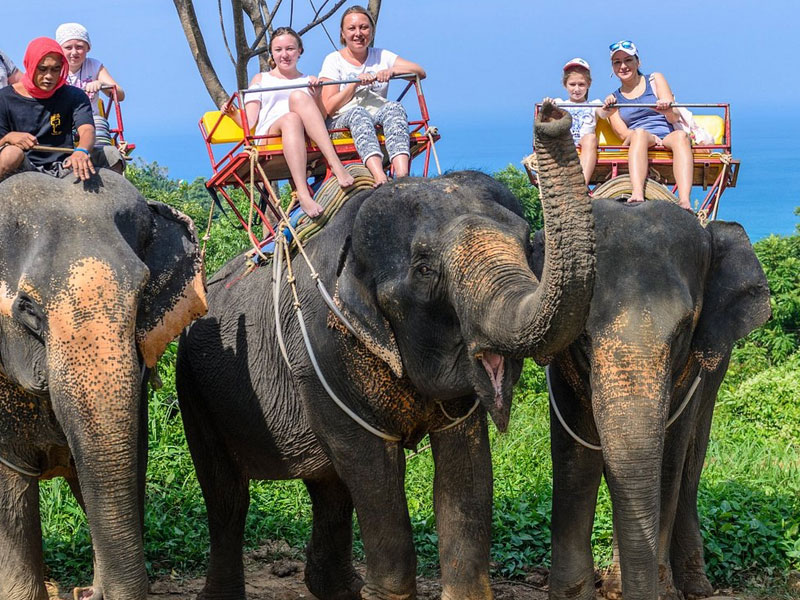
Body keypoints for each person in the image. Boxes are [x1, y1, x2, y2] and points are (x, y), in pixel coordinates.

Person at [224, 27, 355, 218]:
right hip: (269, 135)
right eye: (278, 50)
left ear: (299, 51)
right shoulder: (262, 79)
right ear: (272, 53)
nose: (284, 55)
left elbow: (319, 117)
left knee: (298, 98)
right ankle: (302, 192)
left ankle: (334, 163)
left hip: (303, 135)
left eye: (290, 49)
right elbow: (250, 121)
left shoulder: (307, 80)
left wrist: (317, 95)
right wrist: (233, 113)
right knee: (291, 116)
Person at [319, 5, 425, 186]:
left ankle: (402, 176)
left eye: (364, 27)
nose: (358, 33)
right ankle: (379, 176)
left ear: (372, 31)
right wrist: (354, 84)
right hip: (343, 120)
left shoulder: (381, 55)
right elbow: (328, 107)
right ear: (343, 34)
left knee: (394, 108)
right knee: (359, 114)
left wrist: (391, 71)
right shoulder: (333, 60)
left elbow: (419, 71)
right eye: (352, 28)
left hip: (376, 115)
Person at [0, 37, 124, 182]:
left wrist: (82, 151)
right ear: (31, 66)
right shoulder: (5, 97)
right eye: (42, 69)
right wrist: (9, 138)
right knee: (11, 154)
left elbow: (87, 130)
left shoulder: (74, 95)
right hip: (25, 165)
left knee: (111, 154)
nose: (49, 76)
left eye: (55, 69)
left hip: (66, 164)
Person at [602, 40, 693, 210]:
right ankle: (637, 193)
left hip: (666, 134)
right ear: (613, 68)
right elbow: (623, 134)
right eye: (617, 62)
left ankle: (685, 200)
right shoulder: (613, 99)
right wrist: (644, 136)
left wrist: (665, 109)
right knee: (639, 134)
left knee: (681, 137)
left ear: (638, 62)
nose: (623, 66)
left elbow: (673, 118)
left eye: (628, 60)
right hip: (638, 137)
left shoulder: (655, 79)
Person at [547, 58, 609, 186]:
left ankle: (581, 184)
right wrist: (548, 106)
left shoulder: (594, 105)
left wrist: (609, 105)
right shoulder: (560, 104)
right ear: (565, 85)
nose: (577, 89)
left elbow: (604, 114)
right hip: (565, 143)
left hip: (584, 144)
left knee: (590, 138)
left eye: (581, 84)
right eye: (572, 84)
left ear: (588, 84)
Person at [55, 23, 125, 116]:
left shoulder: (94, 66)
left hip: (91, 118)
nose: (74, 52)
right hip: (63, 119)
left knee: (99, 128)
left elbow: (120, 95)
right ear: (59, 49)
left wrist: (101, 84)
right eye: (68, 47)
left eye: (79, 47)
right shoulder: (54, 68)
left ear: (88, 48)